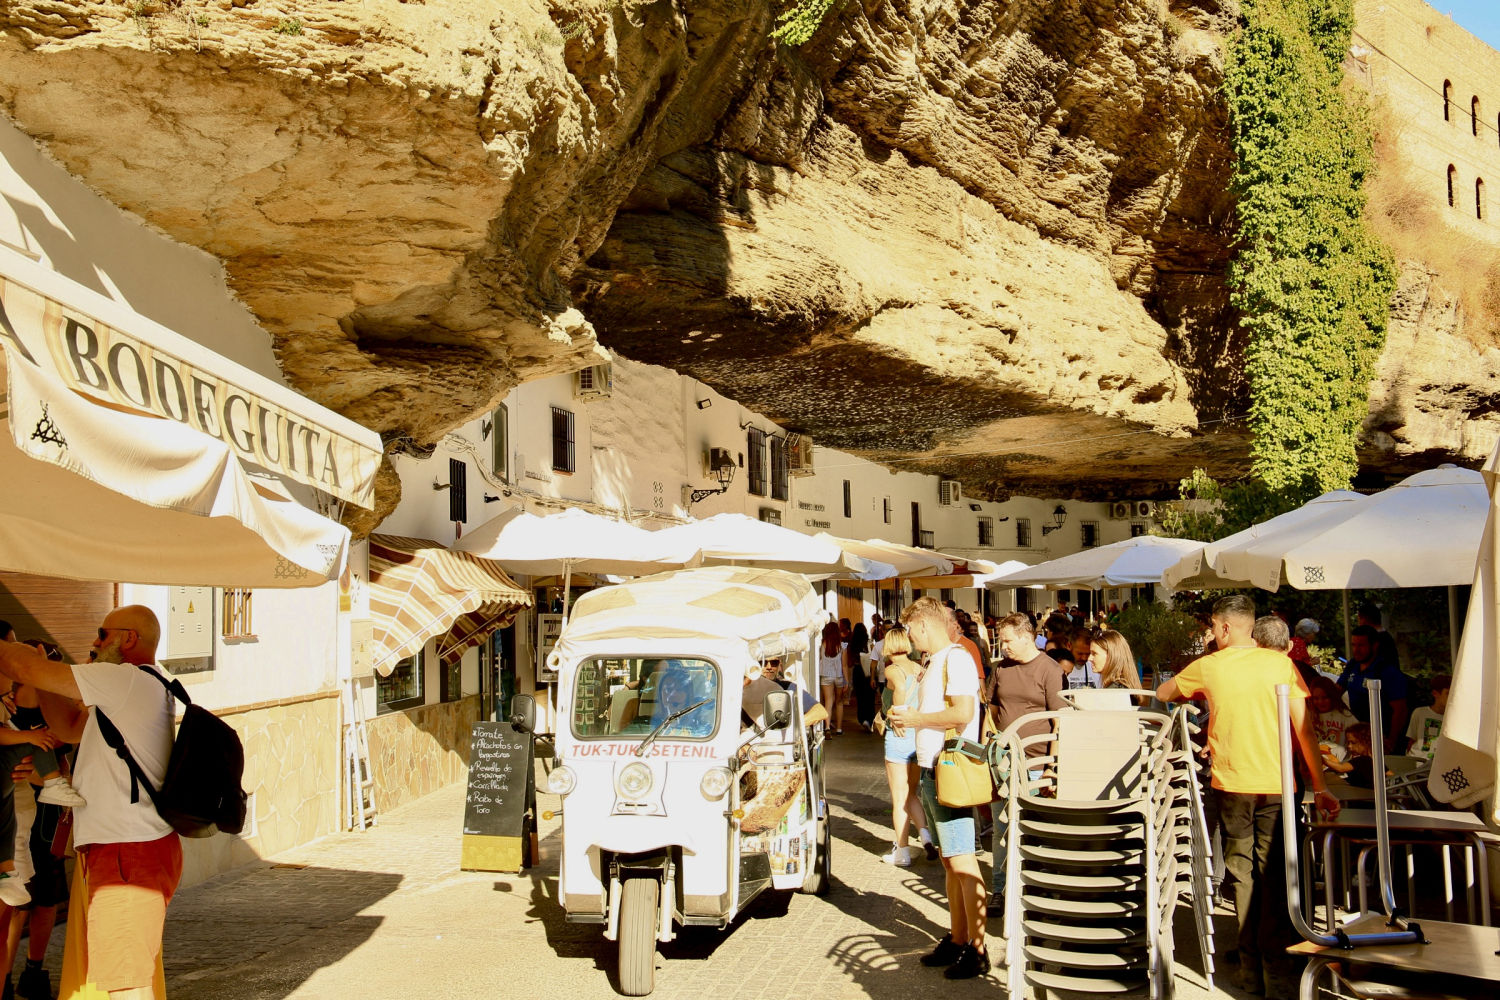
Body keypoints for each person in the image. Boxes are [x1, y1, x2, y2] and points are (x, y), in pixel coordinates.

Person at [1156, 595, 1337, 995]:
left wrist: (1201, 700)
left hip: (1233, 782)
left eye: (1212, 627)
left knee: (1242, 875)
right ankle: (1276, 967)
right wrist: (1320, 785)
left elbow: (1165, 693)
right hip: (1278, 783)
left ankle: (1250, 967)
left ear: (1223, 627)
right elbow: (1305, 729)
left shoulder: (1209, 666)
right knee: (1273, 874)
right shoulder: (1281, 664)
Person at [0, 606, 181, 1000]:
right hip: (125, 851)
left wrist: (26, 658)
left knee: (126, 986)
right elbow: (69, 727)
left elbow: (22, 669)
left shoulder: (125, 680)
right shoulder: (134, 688)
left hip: (126, 855)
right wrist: (48, 676)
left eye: (102, 634)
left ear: (128, 639)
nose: (93, 643)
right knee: (123, 977)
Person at [886, 597, 988, 979]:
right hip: (934, 768)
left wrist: (915, 718)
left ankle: (977, 947)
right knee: (950, 860)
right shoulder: (937, 662)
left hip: (950, 769)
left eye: (911, 630)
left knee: (963, 860)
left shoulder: (956, 659)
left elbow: (963, 713)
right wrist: (912, 720)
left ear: (925, 627)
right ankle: (959, 938)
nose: (909, 637)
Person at [983, 613, 1067, 917]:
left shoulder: (1050, 669)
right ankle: (999, 889)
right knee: (1001, 827)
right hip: (1003, 761)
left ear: (1026, 636)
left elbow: (1060, 721)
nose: (1003, 647)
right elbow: (991, 713)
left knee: (1036, 826)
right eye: (1000, 641)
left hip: (1036, 761)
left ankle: (1037, 884)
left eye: (1007, 641)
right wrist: (986, 752)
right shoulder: (1001, 670)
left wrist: (1052, 766)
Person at [876, 627, 935, 866]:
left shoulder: (892, 669)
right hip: (917, 734)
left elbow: (899, 691)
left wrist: (896, 714)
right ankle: (926, 835)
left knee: (899, 797)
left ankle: (901, 850)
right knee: (911, 792)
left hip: (899, 736)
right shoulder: (919, 668)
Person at [4, 644, 84, 807]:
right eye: (51, 672)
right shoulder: (5, 706)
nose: (57, 682)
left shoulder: (58, 714)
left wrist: (38, 771)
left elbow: (62, 769)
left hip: (30, 804)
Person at [1337, 625, 1409, 752]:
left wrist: (1391, 742)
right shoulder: (1352, 665)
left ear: (1374, 645)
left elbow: (1400, 710)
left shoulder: (1387, 671)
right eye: (1354, 645)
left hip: (1381, 735)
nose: (1356, 650)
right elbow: (1335, 692)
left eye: (1361, 645)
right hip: (1358, 735)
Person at [1310, 678, 1357, 763]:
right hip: (1315, 765)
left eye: (1324, 698)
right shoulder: (1309, 715)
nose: (1320, 702)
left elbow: (1360, 739)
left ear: (1332, 696)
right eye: (1316, 698)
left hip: (1340, 767)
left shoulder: (1344, 715)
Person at [1404, 674, 1450, 759]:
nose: (1451, 697)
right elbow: (1412, 740)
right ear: (1435, 693)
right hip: (1417, 762)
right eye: (1447, 693)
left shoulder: (1453, 718)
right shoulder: (1419, 712)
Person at [817, 622, 848, 735]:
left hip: (825, 676)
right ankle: (839, 729)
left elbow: (819, 660)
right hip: (838, 676)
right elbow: (844, 665)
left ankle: (827, 727)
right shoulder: (842, 646)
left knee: (828, 702)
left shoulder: (822, 645)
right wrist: (847, 681)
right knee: (839, 702)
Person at [848, 622, 877, 732]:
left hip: (858, 671)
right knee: (870, 696)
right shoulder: (869, 644)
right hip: (869, 672)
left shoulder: (852, 645)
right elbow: (875, 659)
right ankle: (870, 719)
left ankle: (862, 719)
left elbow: (850, 663)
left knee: (860, 697)